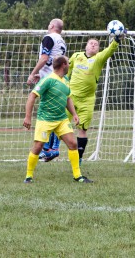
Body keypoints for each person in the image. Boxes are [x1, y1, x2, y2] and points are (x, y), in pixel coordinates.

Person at [23, 55, 93, 184]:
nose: (69, 64)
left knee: (73, 144)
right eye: (68, 62)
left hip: (61, 119)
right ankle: (28, 176)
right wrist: (28, 117)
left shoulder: (65, 80)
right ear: (63, 65)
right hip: (45, 119)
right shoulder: (48, 80)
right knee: (38, 147)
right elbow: (32, 96)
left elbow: (68, 98)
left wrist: (74, 114)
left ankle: (78, 176)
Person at [67, 33, 123, 166]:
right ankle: (50, 149)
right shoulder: (76, 56)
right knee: (59, 123)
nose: (93, 45)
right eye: (91, 43)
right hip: (70, 97)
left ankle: (78, 159)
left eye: (96, 44)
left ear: (98, 49)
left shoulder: (98, 58)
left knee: (83, 129)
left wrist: (116, 40)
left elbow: (109, 51)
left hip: (87, 100)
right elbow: (65, 71)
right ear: (85, 46)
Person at [26, 18, 66, 162]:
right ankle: (51, 148)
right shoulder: (61, 41)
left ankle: (50, 149)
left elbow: (44, 58)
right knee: (54, 111)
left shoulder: (49, 38)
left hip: (50, 81)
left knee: (48, 113)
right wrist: (40, 74)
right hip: (57, 79)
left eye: (49, 23)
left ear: (52, 26)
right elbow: (53, 62)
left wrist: (32, 73)